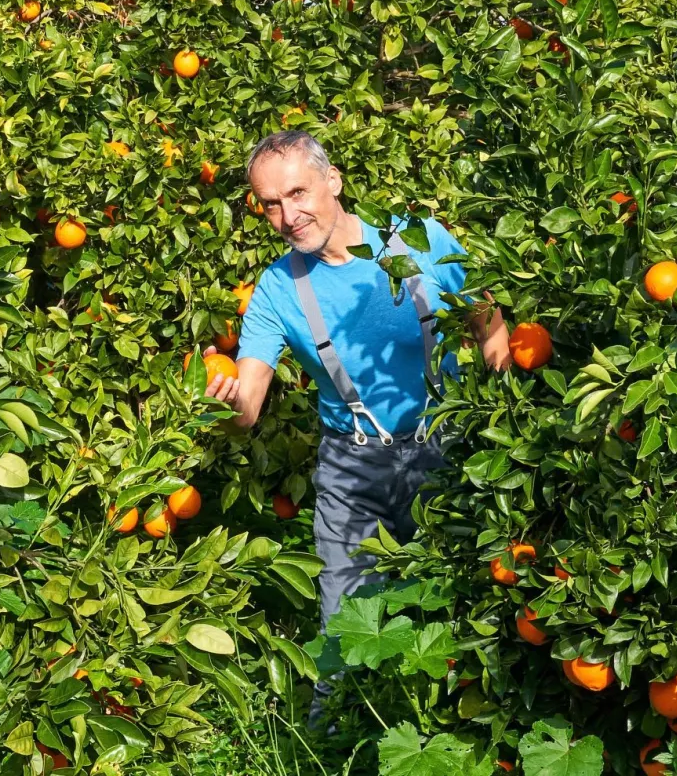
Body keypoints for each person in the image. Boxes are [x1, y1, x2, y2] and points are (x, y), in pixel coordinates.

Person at [204, 130, 512, 717]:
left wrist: (509, 422)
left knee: (471, 604)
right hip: (351, 466)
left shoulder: (421, 240)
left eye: (298, 192)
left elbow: (490, 328)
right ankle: (332, 739)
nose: (288, 215)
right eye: (270, 203)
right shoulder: (277, 290)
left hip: (444, 446)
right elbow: (246, 407)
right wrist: (222, 408)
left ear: (334, 180)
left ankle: (473, 729)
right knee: (345, 623)